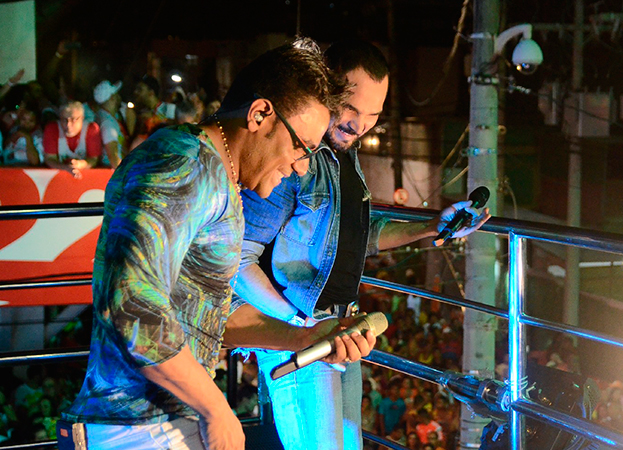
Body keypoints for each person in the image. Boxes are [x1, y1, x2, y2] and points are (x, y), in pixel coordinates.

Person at [60, 39, 372, 450]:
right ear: (259, 114)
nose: (301, 167)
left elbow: (203, 318)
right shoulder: (185, 162)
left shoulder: (219, 176)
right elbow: (132, 304)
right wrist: (215, 410)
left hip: (163, 423)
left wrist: (304, 336)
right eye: (302, 147)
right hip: (134, 430)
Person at [233, 38, 490, 450]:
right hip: (302, 328)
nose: (360, 126)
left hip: (342, 326)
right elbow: (237, 256)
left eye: (373, 115)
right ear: (325, 88)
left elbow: (357, 236)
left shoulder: (345, 154)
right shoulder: (294, 157)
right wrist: (297, 325)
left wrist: (429, 227)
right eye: (351, 109)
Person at [43, 101, 101, 178]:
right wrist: (66, 168)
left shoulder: (91, 129)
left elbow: (94, 159)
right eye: (64, 119)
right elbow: (49, 158)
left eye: (73, 119)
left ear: (82, 118)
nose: (68, 125)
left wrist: (80, 164)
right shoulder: (52, 129)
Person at [93, 80, 129, 168]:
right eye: (117, 95)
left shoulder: (102, 115)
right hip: (112, 169)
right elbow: (113, 155)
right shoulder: (108, 123)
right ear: (112, 97)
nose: (119, 97)